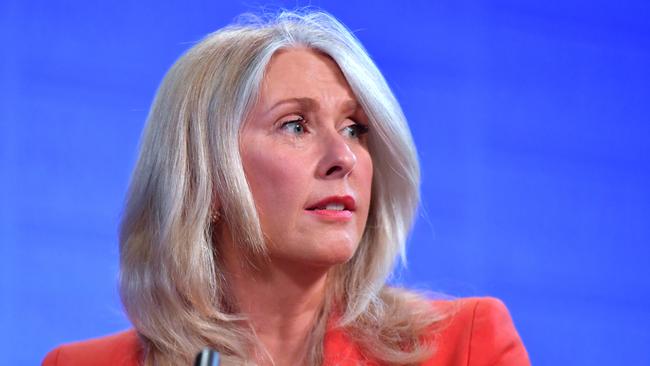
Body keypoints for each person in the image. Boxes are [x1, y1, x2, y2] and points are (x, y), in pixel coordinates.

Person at [43, 10, 530, 366]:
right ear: (206, 177)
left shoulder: (465, 346)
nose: (343, 159)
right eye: (295, 125)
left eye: (354, 128)